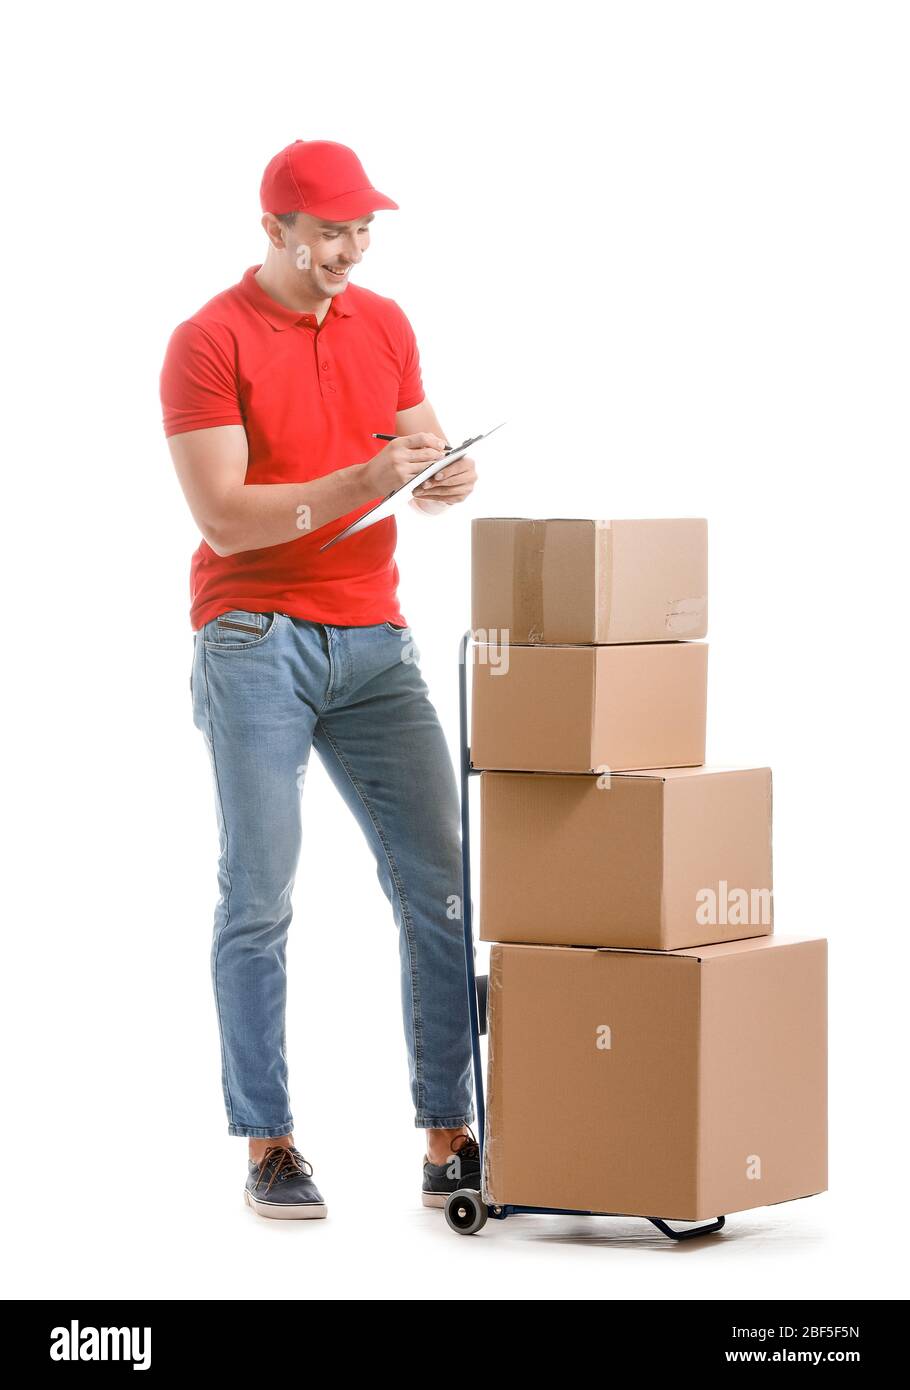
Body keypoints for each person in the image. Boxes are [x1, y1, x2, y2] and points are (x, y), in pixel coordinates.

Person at [159, 139, 481, 1219]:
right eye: (328, 230)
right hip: (254, 633)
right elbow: (222, 516)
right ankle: (270, 1142)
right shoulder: (207, 340)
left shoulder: (384, 321)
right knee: (260, 890)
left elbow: (418, 447)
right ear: (275, 232)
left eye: (361, 229)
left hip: (371, 635)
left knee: (439, 877)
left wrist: (443, 474)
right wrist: (361, 478)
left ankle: (450, 1132)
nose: (348, 249)